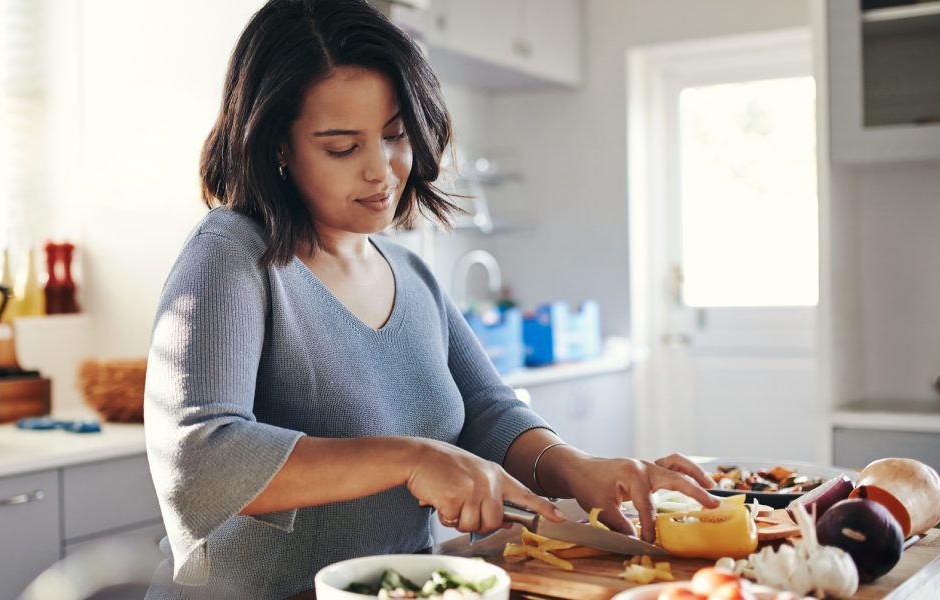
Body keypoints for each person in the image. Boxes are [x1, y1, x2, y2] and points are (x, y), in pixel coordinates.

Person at [143, 1, 720, 598]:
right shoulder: (231, 254)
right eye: (342, 148)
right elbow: (199, 458)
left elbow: (489, 413)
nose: (382, 171)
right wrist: (410, 458)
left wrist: (575, 467)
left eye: (394, 135)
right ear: (277, 147)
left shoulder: (409, 271)